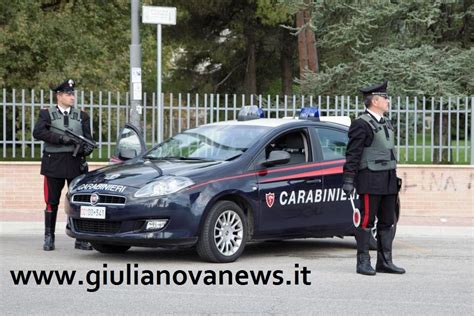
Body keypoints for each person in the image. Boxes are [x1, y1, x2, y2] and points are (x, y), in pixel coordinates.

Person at [342, 80, 405, 276]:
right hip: (370, 179)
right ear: (375, 101)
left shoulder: (387, 122)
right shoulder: (361, 124)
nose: (388, 101)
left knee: (387, 221)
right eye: (385, 98)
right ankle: (363, 262)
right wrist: (349, 179)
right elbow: (353, 154)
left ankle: (385, 261)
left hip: (388, 178)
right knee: (366, 221)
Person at [33, 79, 94, 251]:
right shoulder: (46, 114)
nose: (72, 97)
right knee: (52, 202)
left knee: (77, 201)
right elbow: (38, 132)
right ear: (59, 96)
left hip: (75, 163)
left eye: (73, 94)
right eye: (68, 94)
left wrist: (85, 148)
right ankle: (49, 237)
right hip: (54, 163)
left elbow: (89, 139)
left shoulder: (82, 116)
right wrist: (61, 139)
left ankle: (80, 238)